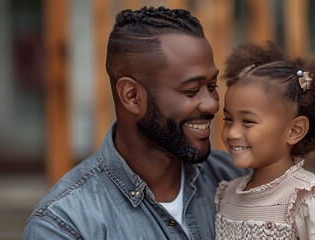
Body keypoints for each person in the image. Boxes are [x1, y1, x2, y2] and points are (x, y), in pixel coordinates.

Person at [23, 6, 248, 240]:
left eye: (212, 87)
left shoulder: (242, 179)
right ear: (132, 96)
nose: (212, 104)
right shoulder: (65, 225)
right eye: (191, 91)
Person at [214, 41, 315, 240]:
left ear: (294, 130)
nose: (232, 133)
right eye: (228, 119)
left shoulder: (307, 197)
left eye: (248, 121)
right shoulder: (227, 194)